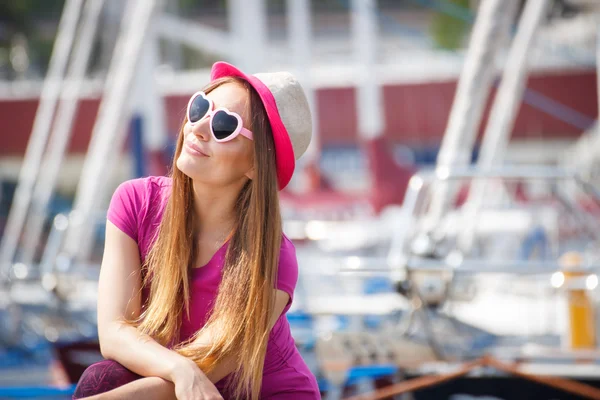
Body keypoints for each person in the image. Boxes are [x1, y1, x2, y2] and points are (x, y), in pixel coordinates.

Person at [73, 61, 320, 400]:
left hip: (260, 394)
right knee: (102, 377)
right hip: (183, 384)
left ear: (254, 165)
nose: (199, 128)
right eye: (200, 107)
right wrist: (179, 368)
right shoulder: (136, 202)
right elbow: (114, 333)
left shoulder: (273, 257)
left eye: (223, 126)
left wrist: (186, 372)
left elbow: (205, 368)